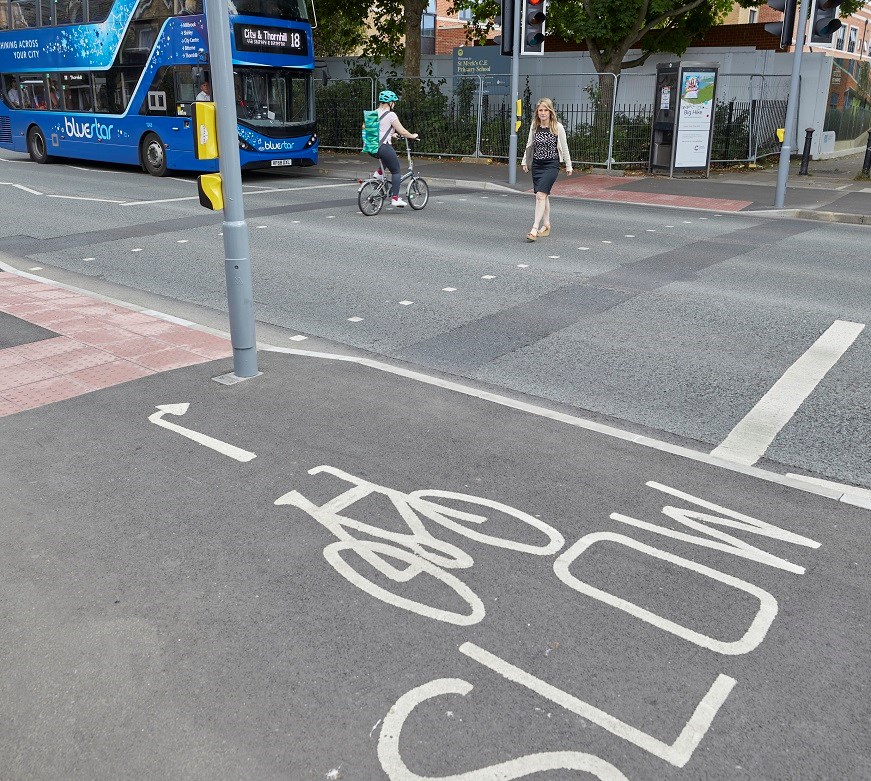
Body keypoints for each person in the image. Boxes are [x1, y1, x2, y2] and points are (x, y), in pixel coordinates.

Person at [521, 97, 572, 241]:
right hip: (537, 164)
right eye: (540, 110)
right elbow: (529, 145)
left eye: (545, 110)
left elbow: (565, 147)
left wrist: (568, 165)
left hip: (551, 165)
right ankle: (547, 225)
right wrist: (525, 161)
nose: (543, 113)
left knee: (540, 195)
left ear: (550, 112)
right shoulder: (534, 126)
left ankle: (534, 229)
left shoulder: (557, 127)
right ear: (537, 112)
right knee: (544, 195)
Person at [371, 90, 419, 208]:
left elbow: (379, 129)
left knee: (387, 158)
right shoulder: (391, 114)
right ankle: (395, 199)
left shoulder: (374, 112)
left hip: (371, 146)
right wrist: (412, 136)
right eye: (394, 102)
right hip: (383, 146)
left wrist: (391, 135)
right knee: (396, 171)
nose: (395, 104)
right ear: (390, 103)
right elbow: (402, 130)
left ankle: (378, 174)